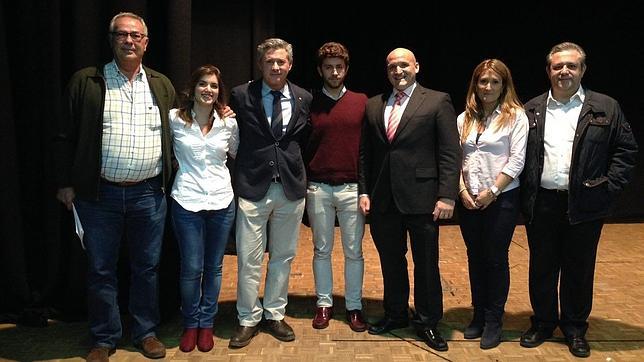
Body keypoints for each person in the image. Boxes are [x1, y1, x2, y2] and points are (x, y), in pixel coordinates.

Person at [53, 12, 175, 362]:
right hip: (98, 194)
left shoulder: (161, 84)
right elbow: (63, 135)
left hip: (149, 194)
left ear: (146, 42)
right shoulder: (87, 81)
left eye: (137, 35)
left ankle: (145, 332)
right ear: (112, 40)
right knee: (101, 269)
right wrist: (64, 182)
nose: (130, 41)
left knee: (147, 267)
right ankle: (104, 338)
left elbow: (179, 129)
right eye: (123, 34)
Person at [519, 42, 638, 358]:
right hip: (541, 203)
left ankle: (574, 328)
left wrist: (607, 188)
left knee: (579, 269)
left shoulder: (605, 107)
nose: (564, 71)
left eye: (571, 65)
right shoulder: (531, 108)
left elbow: (626, 151)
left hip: (585, 204)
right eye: (557, 66)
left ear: (583, 70)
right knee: (542, 267)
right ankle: (543, 323)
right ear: (548, 71)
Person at [358, 48, 461, 352]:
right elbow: (366, 153)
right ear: (387, 71)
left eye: (404, 64)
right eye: (392, 66)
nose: (398, 70)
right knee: (391, 262)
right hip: (383, 199)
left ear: (416, 66)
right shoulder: (374, 104)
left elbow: (449, 151)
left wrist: (446, 194)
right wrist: (364, 191)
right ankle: (396, 314)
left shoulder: (437, 100)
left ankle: (428, 322)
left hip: (424, 198)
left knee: (426, 264)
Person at [227, 38, 312, 348]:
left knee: (283, 256)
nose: (275, 66)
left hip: (290, 187)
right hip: (252, 187)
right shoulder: (240, 95)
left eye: (281, 62)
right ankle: (247, 318)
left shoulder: (303, 97)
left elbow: (303, 141)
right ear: (260, 64)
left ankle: (275, 314)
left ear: (289, 65)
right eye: (269, 62)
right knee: (249, 259)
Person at [456, 59, 528, 349]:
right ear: (475, 84)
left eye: (494, 82)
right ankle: (478, 316)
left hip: (501, 198)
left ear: (504, 85)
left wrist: (492, 192)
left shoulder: (516, 117)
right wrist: (461, 189)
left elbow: (517, 160)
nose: (488, 87)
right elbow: (456, 158)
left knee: (495, 259)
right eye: (483, 81)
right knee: (475, 257)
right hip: (468, 198)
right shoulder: (464, 118)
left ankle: (494, 321)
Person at [169, 65, 238, 352]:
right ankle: (191, 324)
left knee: (214, 267)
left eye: (213, 85)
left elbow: (235, 153)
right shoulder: (174, 119)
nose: (208, 89)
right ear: (193, 87)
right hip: (186, 201)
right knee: (191, 268)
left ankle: (207, 324)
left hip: (222, 202)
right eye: (203, 84)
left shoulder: (228, 123)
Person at [305, 42, 368, 332]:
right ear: (320, 70)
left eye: (339, 67)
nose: (334, 71)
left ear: (346, 69)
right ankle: (324, 303)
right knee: (321, 250)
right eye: (328, 67)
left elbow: (366, 150)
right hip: (318, 187)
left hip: (351, 188)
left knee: (354, 251)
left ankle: (354, 307)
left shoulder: (361, 102)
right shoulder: (309, 103)